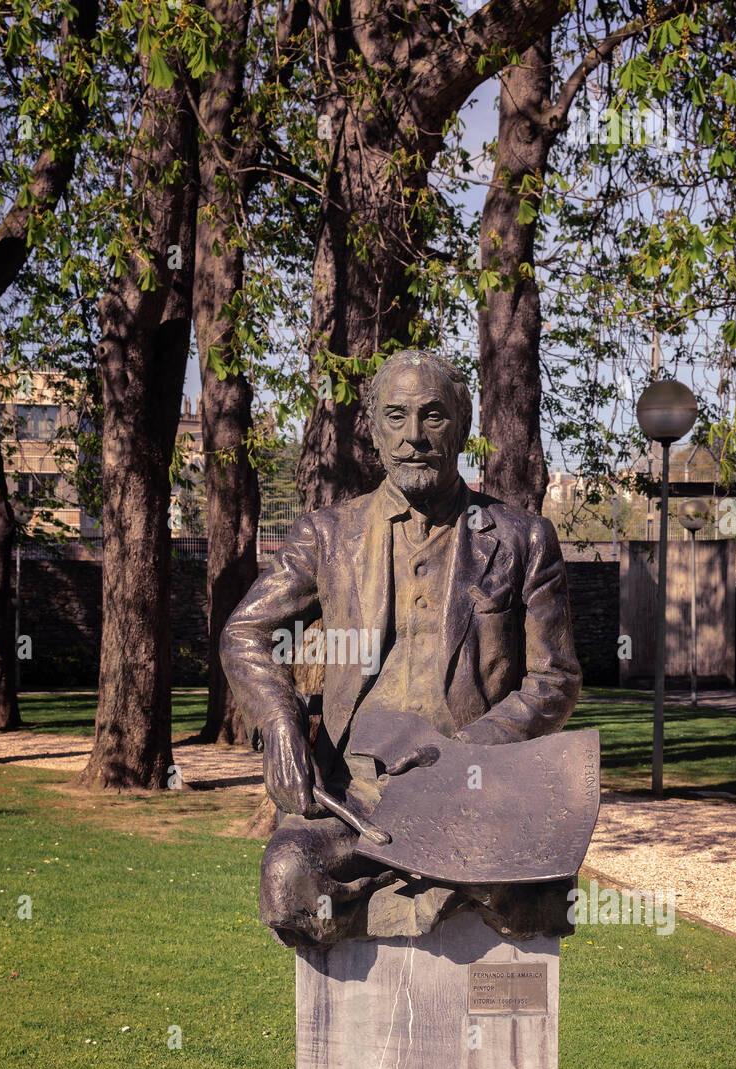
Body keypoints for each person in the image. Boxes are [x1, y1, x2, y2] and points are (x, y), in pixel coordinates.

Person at [221, 349, 582, 947]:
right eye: (396, 416)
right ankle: (401, 891)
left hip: (473, 785)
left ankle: (429, 886)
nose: (413, 436)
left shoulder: (523, 538)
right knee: (287, 880)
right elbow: (246, 633)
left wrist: (468, 748)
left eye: (433, 416)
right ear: (372, 428)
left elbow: (556, 679)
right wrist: (282, 725)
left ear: (463, 427)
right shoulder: (329, 534)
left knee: (537, 884)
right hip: (354, 796)